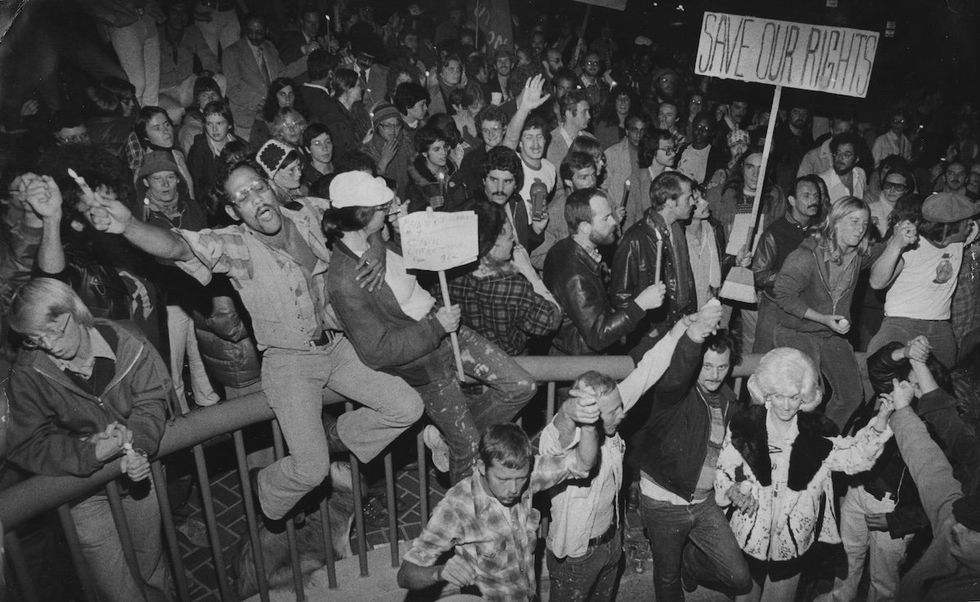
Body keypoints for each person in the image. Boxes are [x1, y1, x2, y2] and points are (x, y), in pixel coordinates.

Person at [80, 159, 424, 524]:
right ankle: (266, 487)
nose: (256, 199)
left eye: (258, 187)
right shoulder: (236, 244)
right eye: (242, 197)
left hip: (338, 347)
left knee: (407, 406)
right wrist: (130, 225)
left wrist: (375, 248)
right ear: (234, 210)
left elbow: (365, 217)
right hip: (290, 361)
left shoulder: (311, 211)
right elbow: (179, 248)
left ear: (271, 188)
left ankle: (332, 436)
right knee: (312, 471)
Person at [323, 172, 535, 482]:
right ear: (362, 216)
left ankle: (447, 437)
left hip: (446, 330)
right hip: (424, 362)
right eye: (385, 208)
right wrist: (435, 327)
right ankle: (461, 514)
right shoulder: (344, 281)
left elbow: (405, 269)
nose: (392, 209)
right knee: (471, 446)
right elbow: (376, 351)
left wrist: (400, 235)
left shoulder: (372, 239)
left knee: (521, 386)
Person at [5, 277, 175, 602]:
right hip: (83, 493)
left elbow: (152, 399)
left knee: (151, 569)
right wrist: (92, 451)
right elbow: (27, 443)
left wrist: (136, 446)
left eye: (54, 331)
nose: (49, 345)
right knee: (116, 588)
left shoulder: (128, 341)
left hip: (139, 476)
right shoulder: (28, 371)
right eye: (36, 339)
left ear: (74, 309)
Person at [715, 347, 894, 602]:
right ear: (766, 393)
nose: (786, 406)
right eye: (778, 396)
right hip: (748, 536)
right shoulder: (745, 425)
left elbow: (855, 458)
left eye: (794, 397)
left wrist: (880, 422)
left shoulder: (818, 433)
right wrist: (732, 489)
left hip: (793, 543)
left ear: (806, 397)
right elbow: (725, 468)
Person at [397, 421, 601, 601]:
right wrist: (438, 573)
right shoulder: (457, 508)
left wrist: (589, 425)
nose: (513, 489)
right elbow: (406, 575)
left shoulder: (527, 474)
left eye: (520, 479)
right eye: (502, 479)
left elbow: (582, 463)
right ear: (482, 467)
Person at [772, 196, 880, 428]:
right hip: (797, 332)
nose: (860, 229)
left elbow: (883, 249)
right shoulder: (806, 256)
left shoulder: (858, 255)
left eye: (864, 224)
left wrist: (901, 239)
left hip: (831, 335)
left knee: (851, 396)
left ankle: (819, 441)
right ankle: (791, 444)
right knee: (809, 396)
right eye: (853, 221)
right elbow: (782, 293)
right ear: (836, 221)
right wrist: (822, 318)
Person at [886, 374, 980, 601]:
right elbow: (931, 471)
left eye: (975, 530)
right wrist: (903, 410)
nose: (956, 528)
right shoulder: (956, 525)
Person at [545, 187, 667, 356]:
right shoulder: (576, 276)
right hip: (579, 364)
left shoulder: (564, 247)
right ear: (585, 227)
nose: (614, 222)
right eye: (606, 218)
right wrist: (640, 304)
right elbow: (598, 335)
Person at [868, 192, 979, 368]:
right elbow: (876, 282)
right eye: (967, 222)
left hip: (940, 327)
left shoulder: (959, 240)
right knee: (880, 367)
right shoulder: (911, 245)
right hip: (900, 323)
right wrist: (895, 244)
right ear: (950, 226)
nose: (971, 225)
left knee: (943, 381)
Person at [449, 202, 562, 356]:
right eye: (510, 238)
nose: (514, 242)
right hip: (512, 361)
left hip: (470, 357)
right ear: (492, 245)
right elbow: (551, 321)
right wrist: (529, 272)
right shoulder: (512, 285)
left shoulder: (450, 275)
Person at [611, 172, 699, 359]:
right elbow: (620, 296)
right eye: (688, 197)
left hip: (679, 326)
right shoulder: (635, 239)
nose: (693, 202)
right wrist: (648, 331)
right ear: (669, 202)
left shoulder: (677, 229)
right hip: (652, 338)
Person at [752, 176, 823, 353]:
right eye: (806, 196)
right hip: (775, 307)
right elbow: (759, 274)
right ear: (792, 200)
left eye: (816, 196)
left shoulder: (821, 231)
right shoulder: (775, 232)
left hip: (807, 308)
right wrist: (790, 279)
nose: (813, 200)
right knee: (764, 359)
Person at [222, 16, 285, 141]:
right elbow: (231, 89)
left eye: (259, 32)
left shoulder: (269, 47)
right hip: (247, 120)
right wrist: (261, 101)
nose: (254, 36)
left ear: (266, 31)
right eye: (250, 31)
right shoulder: (232, 52)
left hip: (272, 118)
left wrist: (307, 59)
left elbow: (283, 74)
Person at [186, 100, 237, 200]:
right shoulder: (198, 151)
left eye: (219, 123)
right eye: (209, 124)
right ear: (204, 126)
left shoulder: (241, 146)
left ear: (229, 125)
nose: (214, 129)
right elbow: (197, 187)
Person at [547, 90, 593, 167]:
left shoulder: (591, 139)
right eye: (584, 112)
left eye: (588, 111)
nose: (589, 116)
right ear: (568, 114)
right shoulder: (551, 141)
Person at [820, 132, 867, 202]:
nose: (840, 157)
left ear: (857, 158)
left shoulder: (860, 173)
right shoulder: (823, 180)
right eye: (837, 153)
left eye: (846, 155)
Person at [300, 123, 333, 189]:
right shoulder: (306, 180)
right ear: (307, 149)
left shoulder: (342, 166)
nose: (325, 148)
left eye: (328, 142)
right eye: (317, 143)